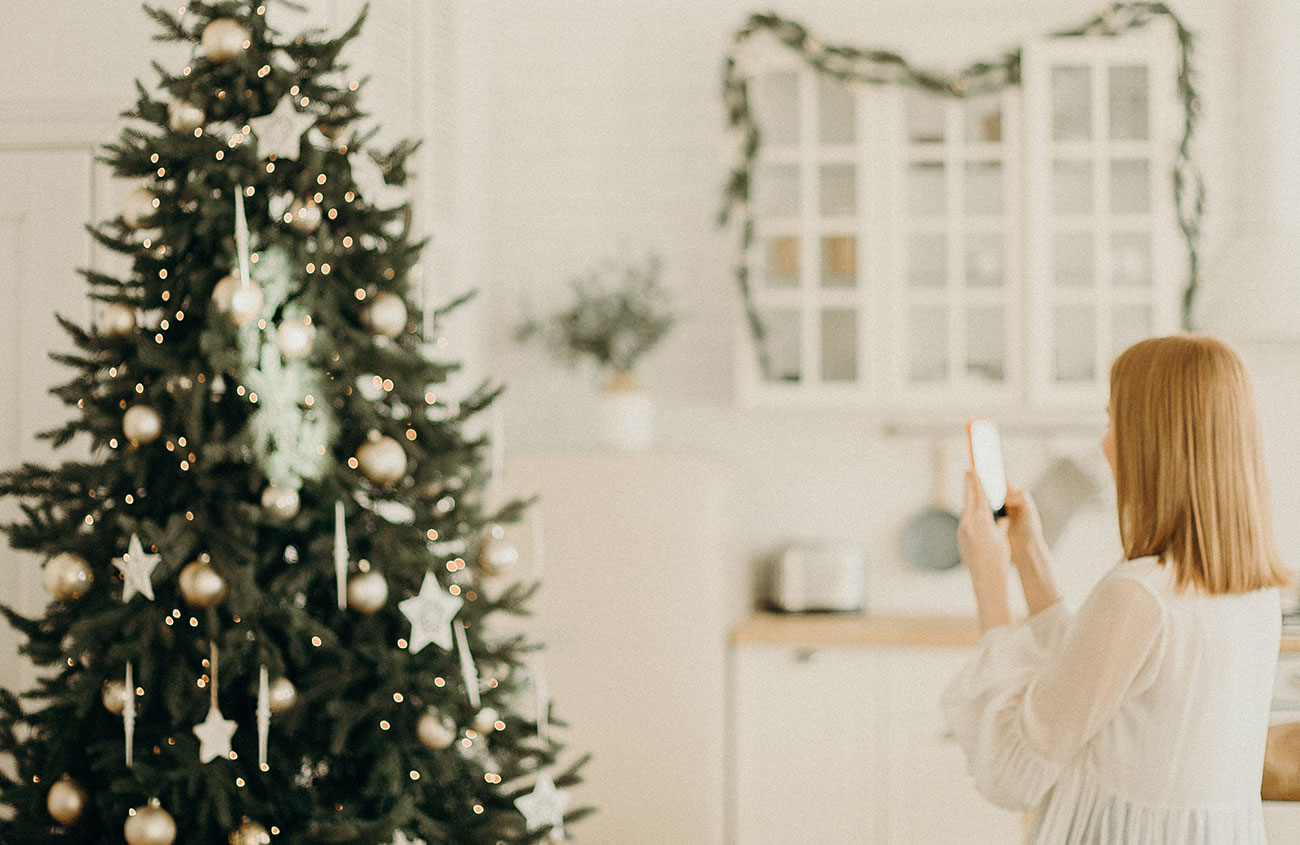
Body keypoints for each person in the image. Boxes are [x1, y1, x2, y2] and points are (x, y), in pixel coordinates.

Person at [942, 334, 1292, 843]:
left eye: (1112, 422)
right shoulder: (1251, 597)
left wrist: (989, 580)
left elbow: (1012, 773)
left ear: (1152, 440)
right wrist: (1029, 559)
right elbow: (1092, 682)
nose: (1104, 443)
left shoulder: (1138, 597)